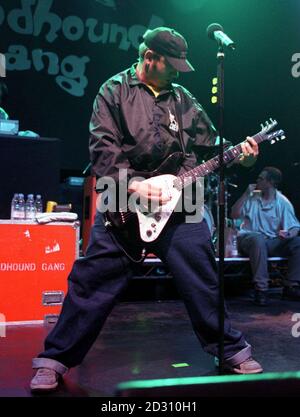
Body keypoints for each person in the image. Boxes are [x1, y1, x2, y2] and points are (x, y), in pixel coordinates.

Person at [30, 27, 262, 392]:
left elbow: (211, 144)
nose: (176, 72)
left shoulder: (183, 98)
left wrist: (242, 156)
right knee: (92, 282)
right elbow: (102, 149)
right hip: (124, 196)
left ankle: (229, 349)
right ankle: (54, 359)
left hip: (180, 199)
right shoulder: (113, 91)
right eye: (172, 65)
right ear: (149, 57)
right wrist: (135, 185)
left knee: (202, 276)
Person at [231, 167, 300, 306]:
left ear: (271, 182)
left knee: (297, 242)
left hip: (270, 242)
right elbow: (234, 214)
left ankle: (291, 286)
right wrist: (245, 194)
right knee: (258, 239)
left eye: (261, 178)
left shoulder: (282, 202)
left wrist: (288, 234)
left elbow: (294, 227)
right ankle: (261, 288)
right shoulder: (252, 197)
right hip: (249, 240)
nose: (257, 181)